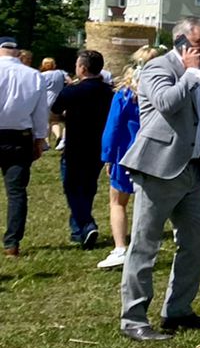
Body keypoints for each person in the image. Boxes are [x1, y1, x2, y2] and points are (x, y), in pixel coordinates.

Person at [117, 16, 200, 342]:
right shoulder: (158, 69)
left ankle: (178, 311)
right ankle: (134, 319)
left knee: (196, 239)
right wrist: (190, 73)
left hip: (191, 173)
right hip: (158, 170)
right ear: (181, 42)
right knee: (145, 245)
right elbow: (165, 103)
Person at [96, 47, 159, 270]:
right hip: (156, 153)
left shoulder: (125, 93)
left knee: (118, 202)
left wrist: (108, 157)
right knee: (150, 206)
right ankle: (146, 248)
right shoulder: (163, 92)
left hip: (127, 154)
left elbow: (113, 127)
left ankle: (121, 247)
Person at [53, 50, 114, 250]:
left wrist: (66, 117)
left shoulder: (72, 91)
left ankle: (86, 224)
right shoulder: (110, 92)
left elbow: (54, 111)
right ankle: (78, 230)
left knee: (71, 188)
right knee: (88, 188)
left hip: (75, 147)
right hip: (98, 147)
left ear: (83, 68)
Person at [0, 35, 50, 256]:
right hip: (19, 137)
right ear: (18, 53)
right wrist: (40, 139)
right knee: (16, 192)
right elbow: (41, 113)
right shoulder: (34, 76)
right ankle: (12, 243)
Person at [39, 56, 68, 149]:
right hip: (59, 98)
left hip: (46, 98)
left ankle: (46, 143)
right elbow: (70, 82)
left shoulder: (42, 75)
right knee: (55, 120)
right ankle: (59, 136)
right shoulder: (61, 72)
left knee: (46, 122)